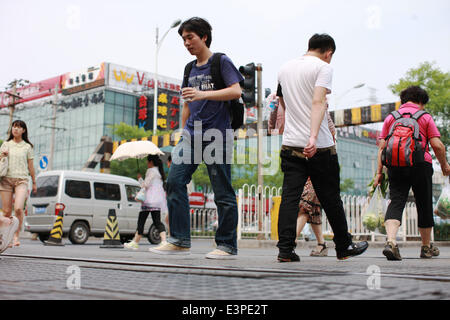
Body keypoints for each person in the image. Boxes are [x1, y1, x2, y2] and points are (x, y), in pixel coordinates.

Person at [149, 17, 243, 260]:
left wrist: (203, 93)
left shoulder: (221, 61)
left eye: (190, 37)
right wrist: (181, 132)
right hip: (191, 137)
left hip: (217, 136)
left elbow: (236, 90)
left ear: (204, 37)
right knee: (174, 182)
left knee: (222, 191)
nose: (186, 42)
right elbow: (187, 102)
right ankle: (179, 239)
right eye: (183, 39)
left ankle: (226, 245)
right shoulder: (189, 69)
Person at [276, 33, 369, 262]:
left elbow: (282, 105)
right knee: (330, 198)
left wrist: (291, 131)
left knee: (289, 198)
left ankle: (285, 250)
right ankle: (343, 246)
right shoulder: (323, 68)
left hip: (290, 145)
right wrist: (313, 137)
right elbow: (318, 102)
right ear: (329, 53)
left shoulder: (284, 68)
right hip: (320, 147)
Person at [374, 86, 450, 261]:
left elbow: (382, 147)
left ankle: (391, 242)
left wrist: (379, 172)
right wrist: (445, 166)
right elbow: (438, 145)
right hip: (420, 164)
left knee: (397, 201)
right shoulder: (424, 117)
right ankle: (425, 247)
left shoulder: (391, 118)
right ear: (421, 101)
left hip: (394, 165)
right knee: (424, 203)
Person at [0, 120, 37, 247]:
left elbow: (31, 166)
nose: (15, 129)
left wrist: (34, 182)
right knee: (6, 212)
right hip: (6, 180)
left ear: (23, 130)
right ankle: (6, 238)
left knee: (19, 208)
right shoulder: (6, 144)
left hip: (21, 180)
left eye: (19, 127)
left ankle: (16, 235)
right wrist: (2, 155)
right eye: (14, 127)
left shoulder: (27, 147)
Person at [124, 155, 168, 250]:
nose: (147, 164)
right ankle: (164, 241)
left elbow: (145, 185)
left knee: (141, 221)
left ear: (151, 162)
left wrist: (140, 179)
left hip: (149, 200)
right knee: (157, 221)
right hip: (157, 200)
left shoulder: (151, 171)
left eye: (147, 162)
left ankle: (135, 242)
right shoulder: (159, 172)